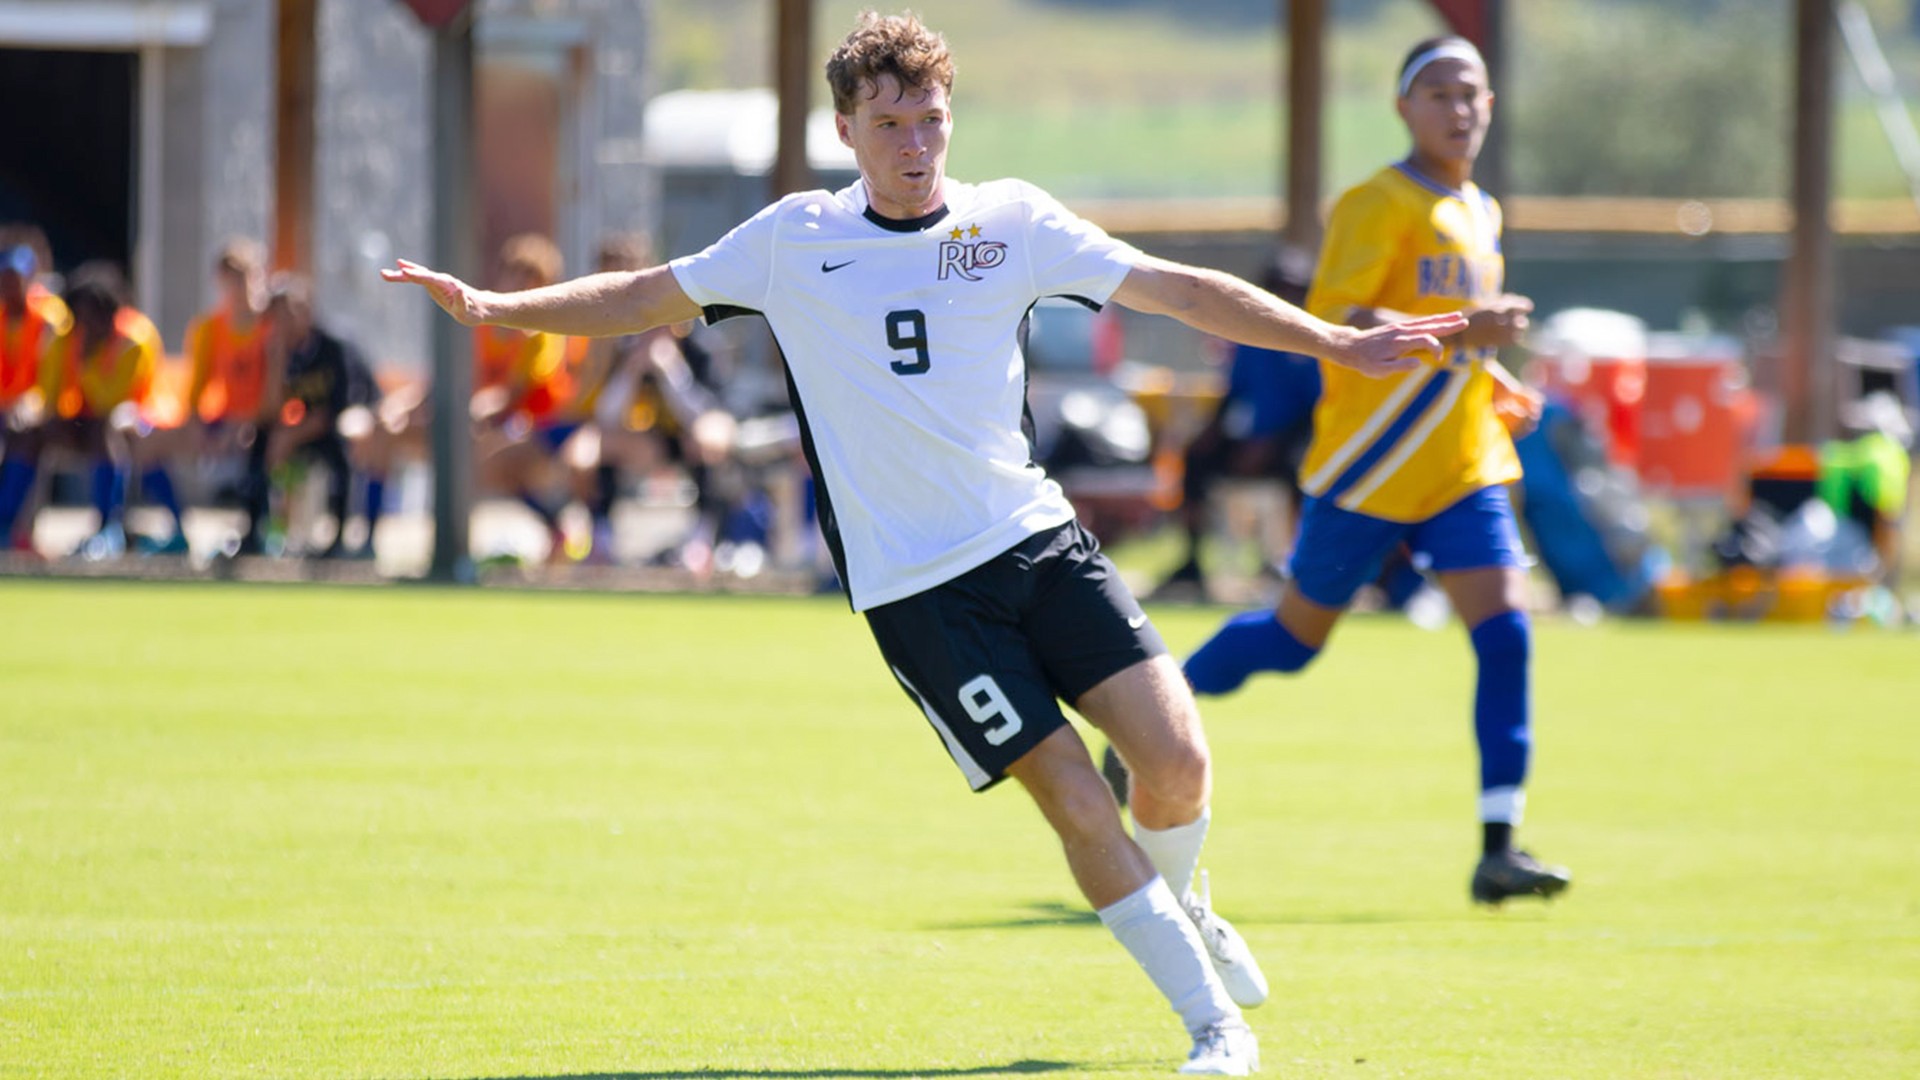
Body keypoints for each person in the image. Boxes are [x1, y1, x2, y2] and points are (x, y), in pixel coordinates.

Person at [385, 13, 1463, 1073]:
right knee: (1076, 801)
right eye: (891, 123)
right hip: (920, 592)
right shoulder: (793, 240)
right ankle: (1213, 1030)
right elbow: (642, 295)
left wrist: (1327, 339)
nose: (915, 145)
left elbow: (1176, 287)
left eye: (931, 121)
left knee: (1176, 762)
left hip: (1038, 541)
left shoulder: (1013, 222)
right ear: (846, 129)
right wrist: (496, 308)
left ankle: (1189, 901)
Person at [1182, 36, 1570, 908]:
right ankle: (1154, 711)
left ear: (1491, 106)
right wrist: (1471, 328)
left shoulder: (1481, 209)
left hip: (1461, 466)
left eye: (1470, 92)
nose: (1457, 107)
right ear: (1403, 108)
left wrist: (1492, 375)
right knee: (1291, 642)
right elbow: (1333, 316)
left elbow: (1449, 331)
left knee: (1506, 631)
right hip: (1367, 467)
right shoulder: (1377, 199)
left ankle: (1498, 848)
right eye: (1436, 92)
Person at [1152, 249, 1321, 601]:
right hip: (1256, 439)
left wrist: (1269, 444)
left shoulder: (1314, 338)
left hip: (1297, 438)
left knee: (1301, 473)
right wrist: (1211, 432)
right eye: (1278, 287)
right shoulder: (1252, 337)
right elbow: (1235, 393)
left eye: (1293, 288)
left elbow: (1314, 407)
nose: (1286, 296)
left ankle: (1296, 562)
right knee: (1195, 460)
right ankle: (1192, 561)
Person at [0, 268, 154, 556]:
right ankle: (6, 525)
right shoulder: (64, 340)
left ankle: (109, 528)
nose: (86, 326)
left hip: (129, 425)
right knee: (28, 435)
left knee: (102, 432)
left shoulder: (131, 343)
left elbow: (109, 404)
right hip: (81, 422)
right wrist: (28, 412)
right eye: (80, 318)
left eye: (92, 318)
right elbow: (48, 394)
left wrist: (87, 365)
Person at [260, 273, 384, 557]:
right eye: (275, 317)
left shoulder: (333, 345)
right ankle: (269, 530)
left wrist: (293, 433)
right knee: (264, 443)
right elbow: (272, 410)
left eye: (287, 314)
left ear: (305, 311)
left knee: (346, 440)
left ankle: (345, 536)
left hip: (358, 413)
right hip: (312, 423)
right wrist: (276, 364)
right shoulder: (280, 351)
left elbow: (340, 409)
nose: (282, 324)